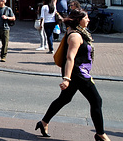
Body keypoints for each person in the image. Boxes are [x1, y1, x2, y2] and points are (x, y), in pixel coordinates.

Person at [35, 9, 110, 140]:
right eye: (86, 18)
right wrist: (66, 79)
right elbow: (70, 58)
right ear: (79, 20)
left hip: (76, 72)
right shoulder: (75, 36)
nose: (88, 20)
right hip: (78, 73)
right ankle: (100, 134)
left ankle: (43, 122)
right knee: (96, 100)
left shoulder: (77, 32)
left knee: (64, 99)